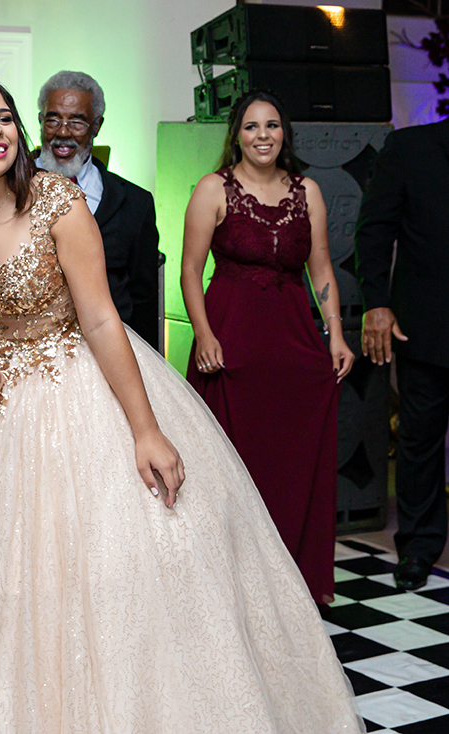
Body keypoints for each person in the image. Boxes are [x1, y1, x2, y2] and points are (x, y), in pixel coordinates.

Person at [0, 68, 364, 733]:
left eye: (4, 117)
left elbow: (103, 319)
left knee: (112, 571)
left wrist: (146, 429)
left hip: (75, 389)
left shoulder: (58, 201)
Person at [181, 89, 354, 604]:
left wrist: (336, 333)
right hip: (230, 344)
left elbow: (320, 269)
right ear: (237, 134)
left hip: (292, 347)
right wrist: (204, 334)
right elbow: (190, 270)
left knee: (290, 463)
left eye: (272, 125)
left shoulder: (308, 191)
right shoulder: (213, 188)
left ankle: (290, 587)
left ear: (285, 134)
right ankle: (227, 588)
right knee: (230, 464)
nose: (263, 135)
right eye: (252, 126)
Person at [355, 118, 449, 590]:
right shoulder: (410, 148)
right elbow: (374, 231)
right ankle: (418, 546)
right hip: (427, 327)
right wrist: (376, 303)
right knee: (420, 440)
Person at [35, 70, 161, 350]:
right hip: (29, 352)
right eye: (53, 119)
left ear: (97, 126)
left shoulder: (135, 203)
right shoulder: (7, 189)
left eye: (77, 122)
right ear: (41, 120)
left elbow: (143, 300)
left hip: (108, 352)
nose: (63, 132)